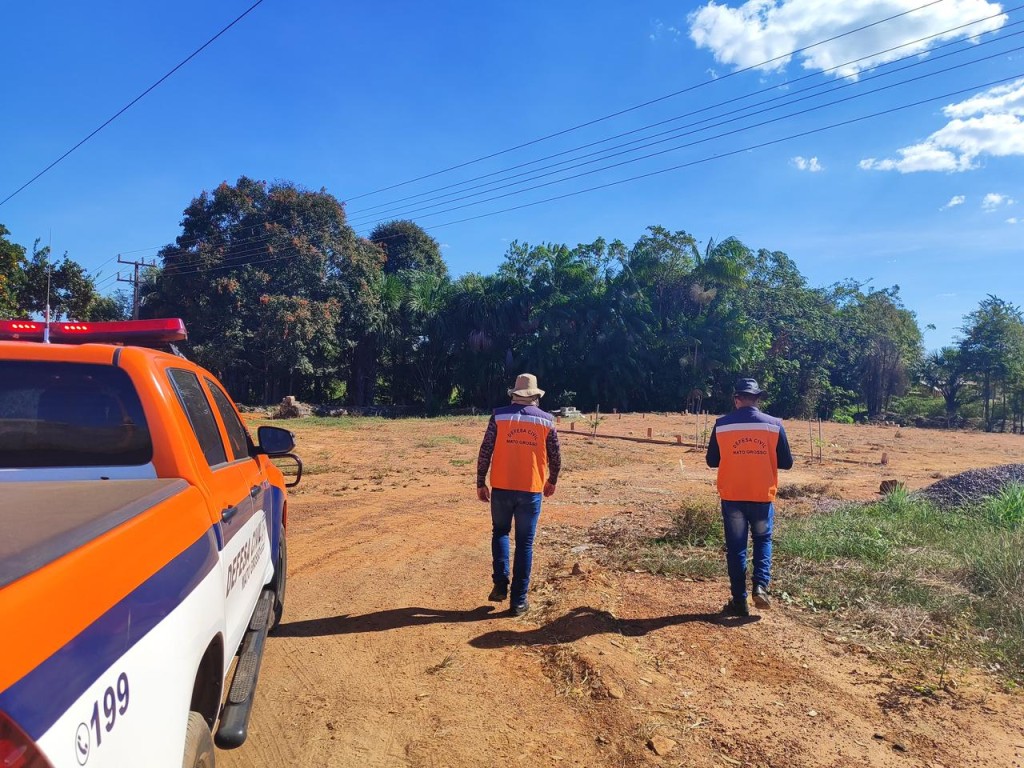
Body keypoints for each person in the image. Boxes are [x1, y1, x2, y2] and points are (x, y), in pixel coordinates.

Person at [705, 377, 794, 617]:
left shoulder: (722, 425)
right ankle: (760, 586)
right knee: (763, 540)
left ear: (737, 399)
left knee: (736, 549)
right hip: (762, 495)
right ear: (757, 399)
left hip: (733, 495)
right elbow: (787, 463)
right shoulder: (774, 425)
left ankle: (739, 600)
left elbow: (712, 461)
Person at [476, 373, 561, 617]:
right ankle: (519, 601)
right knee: (525, 543)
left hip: (502, 486)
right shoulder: (546, 420)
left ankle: (500, 583)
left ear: (514, 394)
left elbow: (486, 449)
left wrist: (481, 481)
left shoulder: (499, 416)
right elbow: (556, 456)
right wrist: (552, 480)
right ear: (535, 397)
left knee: (501, 532)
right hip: (531, 489)